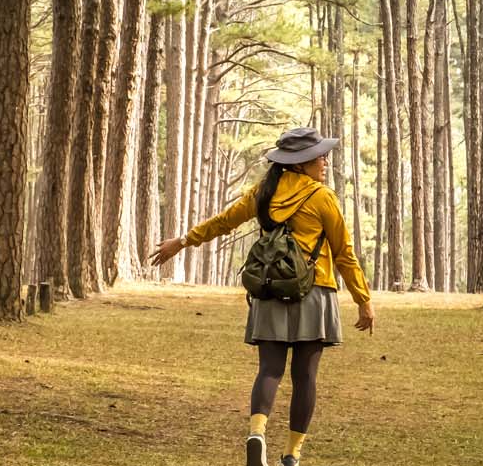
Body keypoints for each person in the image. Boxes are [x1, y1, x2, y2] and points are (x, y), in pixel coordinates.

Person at [150, 127, 375, 466]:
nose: (325, 161)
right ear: (301, 163)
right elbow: (344, 251)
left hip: (270, 290)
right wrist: (363, 299)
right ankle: (292, 455)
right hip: (314, 293)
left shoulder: (264, 192)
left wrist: (182, 242)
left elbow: (224, 222)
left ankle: (257, 432)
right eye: (319, 156)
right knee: (305, 377)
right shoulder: (321, 197)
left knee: (269, 368)